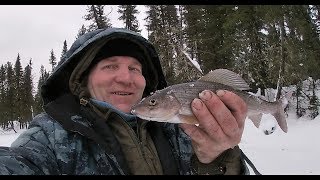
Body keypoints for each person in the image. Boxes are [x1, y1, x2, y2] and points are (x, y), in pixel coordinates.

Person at [0, 28, 250, 175]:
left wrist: (217, 160)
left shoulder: (181, 131)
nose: (125, 78)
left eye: (135, 68)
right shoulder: (50, 136)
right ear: (83, 79)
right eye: (110, 66)